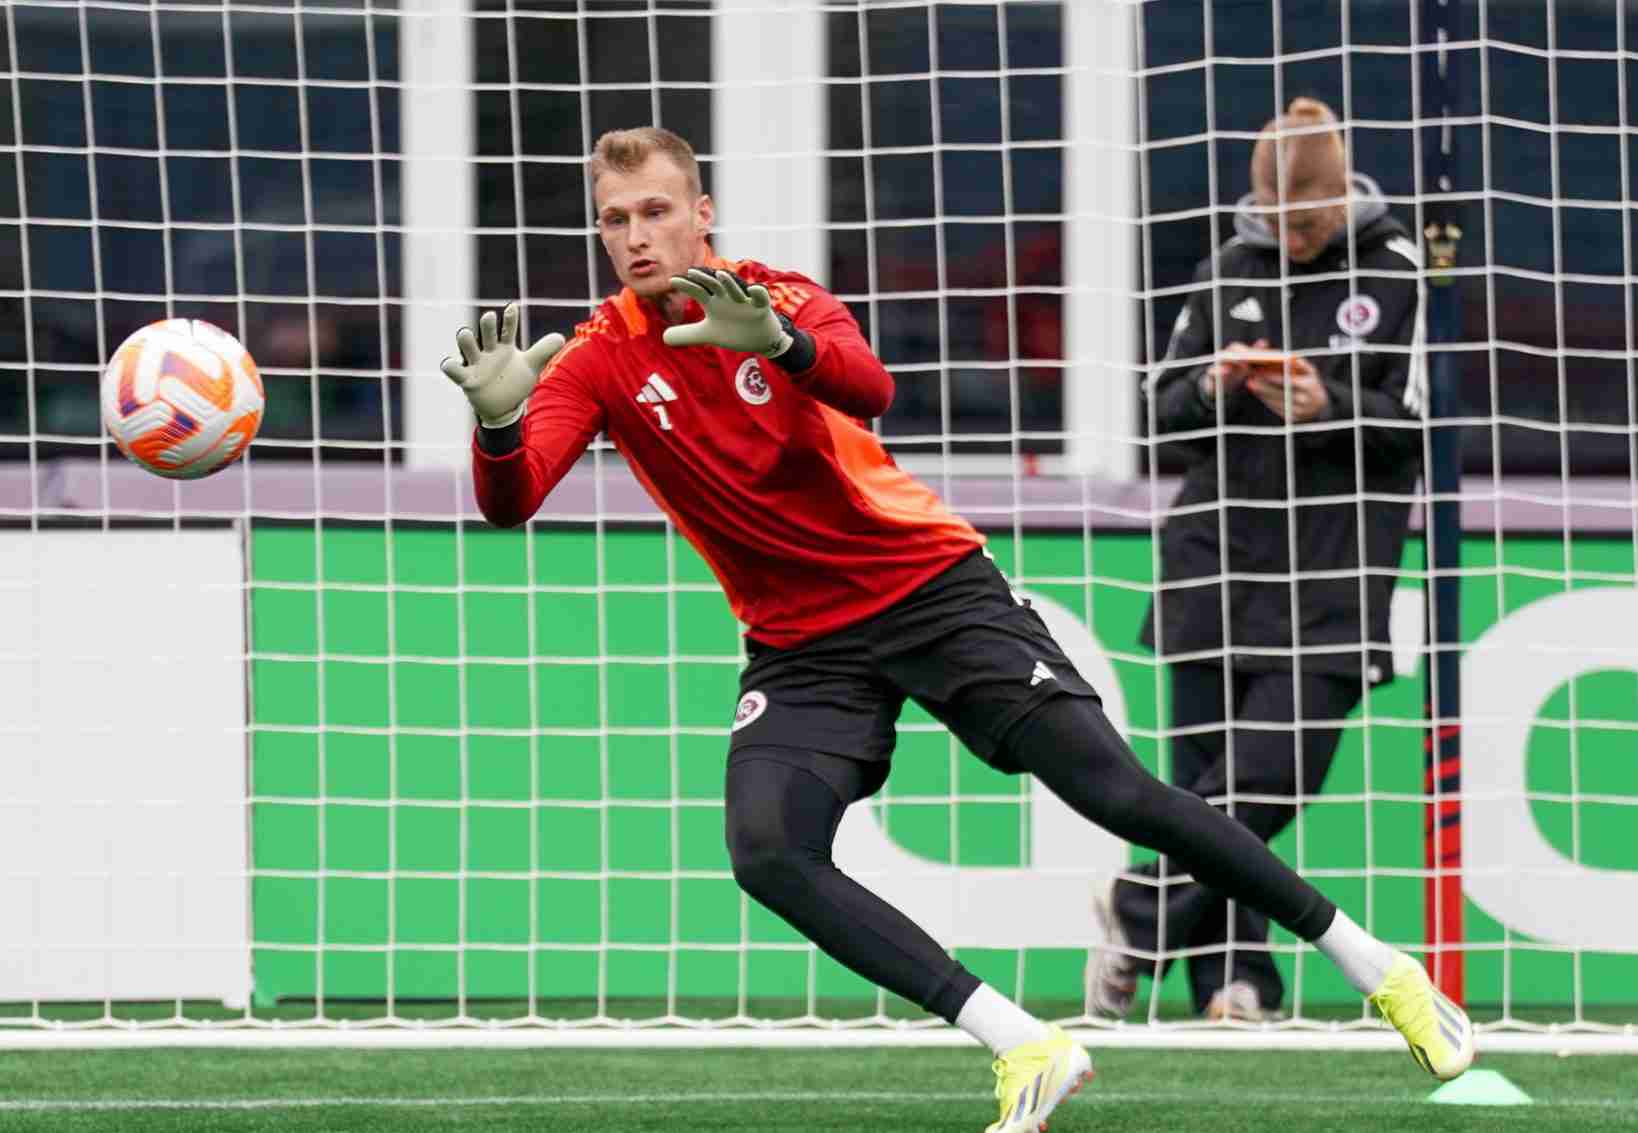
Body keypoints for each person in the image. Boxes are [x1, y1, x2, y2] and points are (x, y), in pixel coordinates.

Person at [442, 126, 1470, 1132]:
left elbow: (871, 387)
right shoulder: (597, 355)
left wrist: (784, 348)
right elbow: (514, 496)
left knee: (1115, 790)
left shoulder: (780, 298)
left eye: (656, 210)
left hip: (928, 586)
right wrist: (496, 426)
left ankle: (1375, 965)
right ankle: (1025, 1040)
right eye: (614, 218)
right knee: (767, 850)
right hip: (801, 645)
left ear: (701, 214)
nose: (635, 234)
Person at [1092, 97, 1428, 1027]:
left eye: (1308, 219)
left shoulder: (1399, 269)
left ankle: (1137, 908)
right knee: (1205, 778)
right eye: (1277, 219)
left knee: (1272, 773)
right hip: (1215, 556)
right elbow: (1162, 408)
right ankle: (1234, 988)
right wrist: (1214, 382)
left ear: (1342, 199)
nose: (1292, 235)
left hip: (1333, 568)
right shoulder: (1225, 269)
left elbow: (1422, 428)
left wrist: (1328, 402)